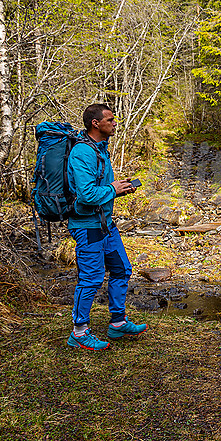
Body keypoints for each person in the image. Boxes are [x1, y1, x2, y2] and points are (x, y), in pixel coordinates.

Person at [66, 104, 147, 351]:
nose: (114, 123)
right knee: (90, 279)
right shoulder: (82, 152)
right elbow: (87, 195)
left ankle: (118, 323)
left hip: (105, 225)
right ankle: (79, 333)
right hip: (87, 227)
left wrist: (118, 189)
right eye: (110, 120)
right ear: (95, 123)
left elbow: (100, 190)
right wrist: (113, 189)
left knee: (122, 270)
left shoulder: (101, 149)